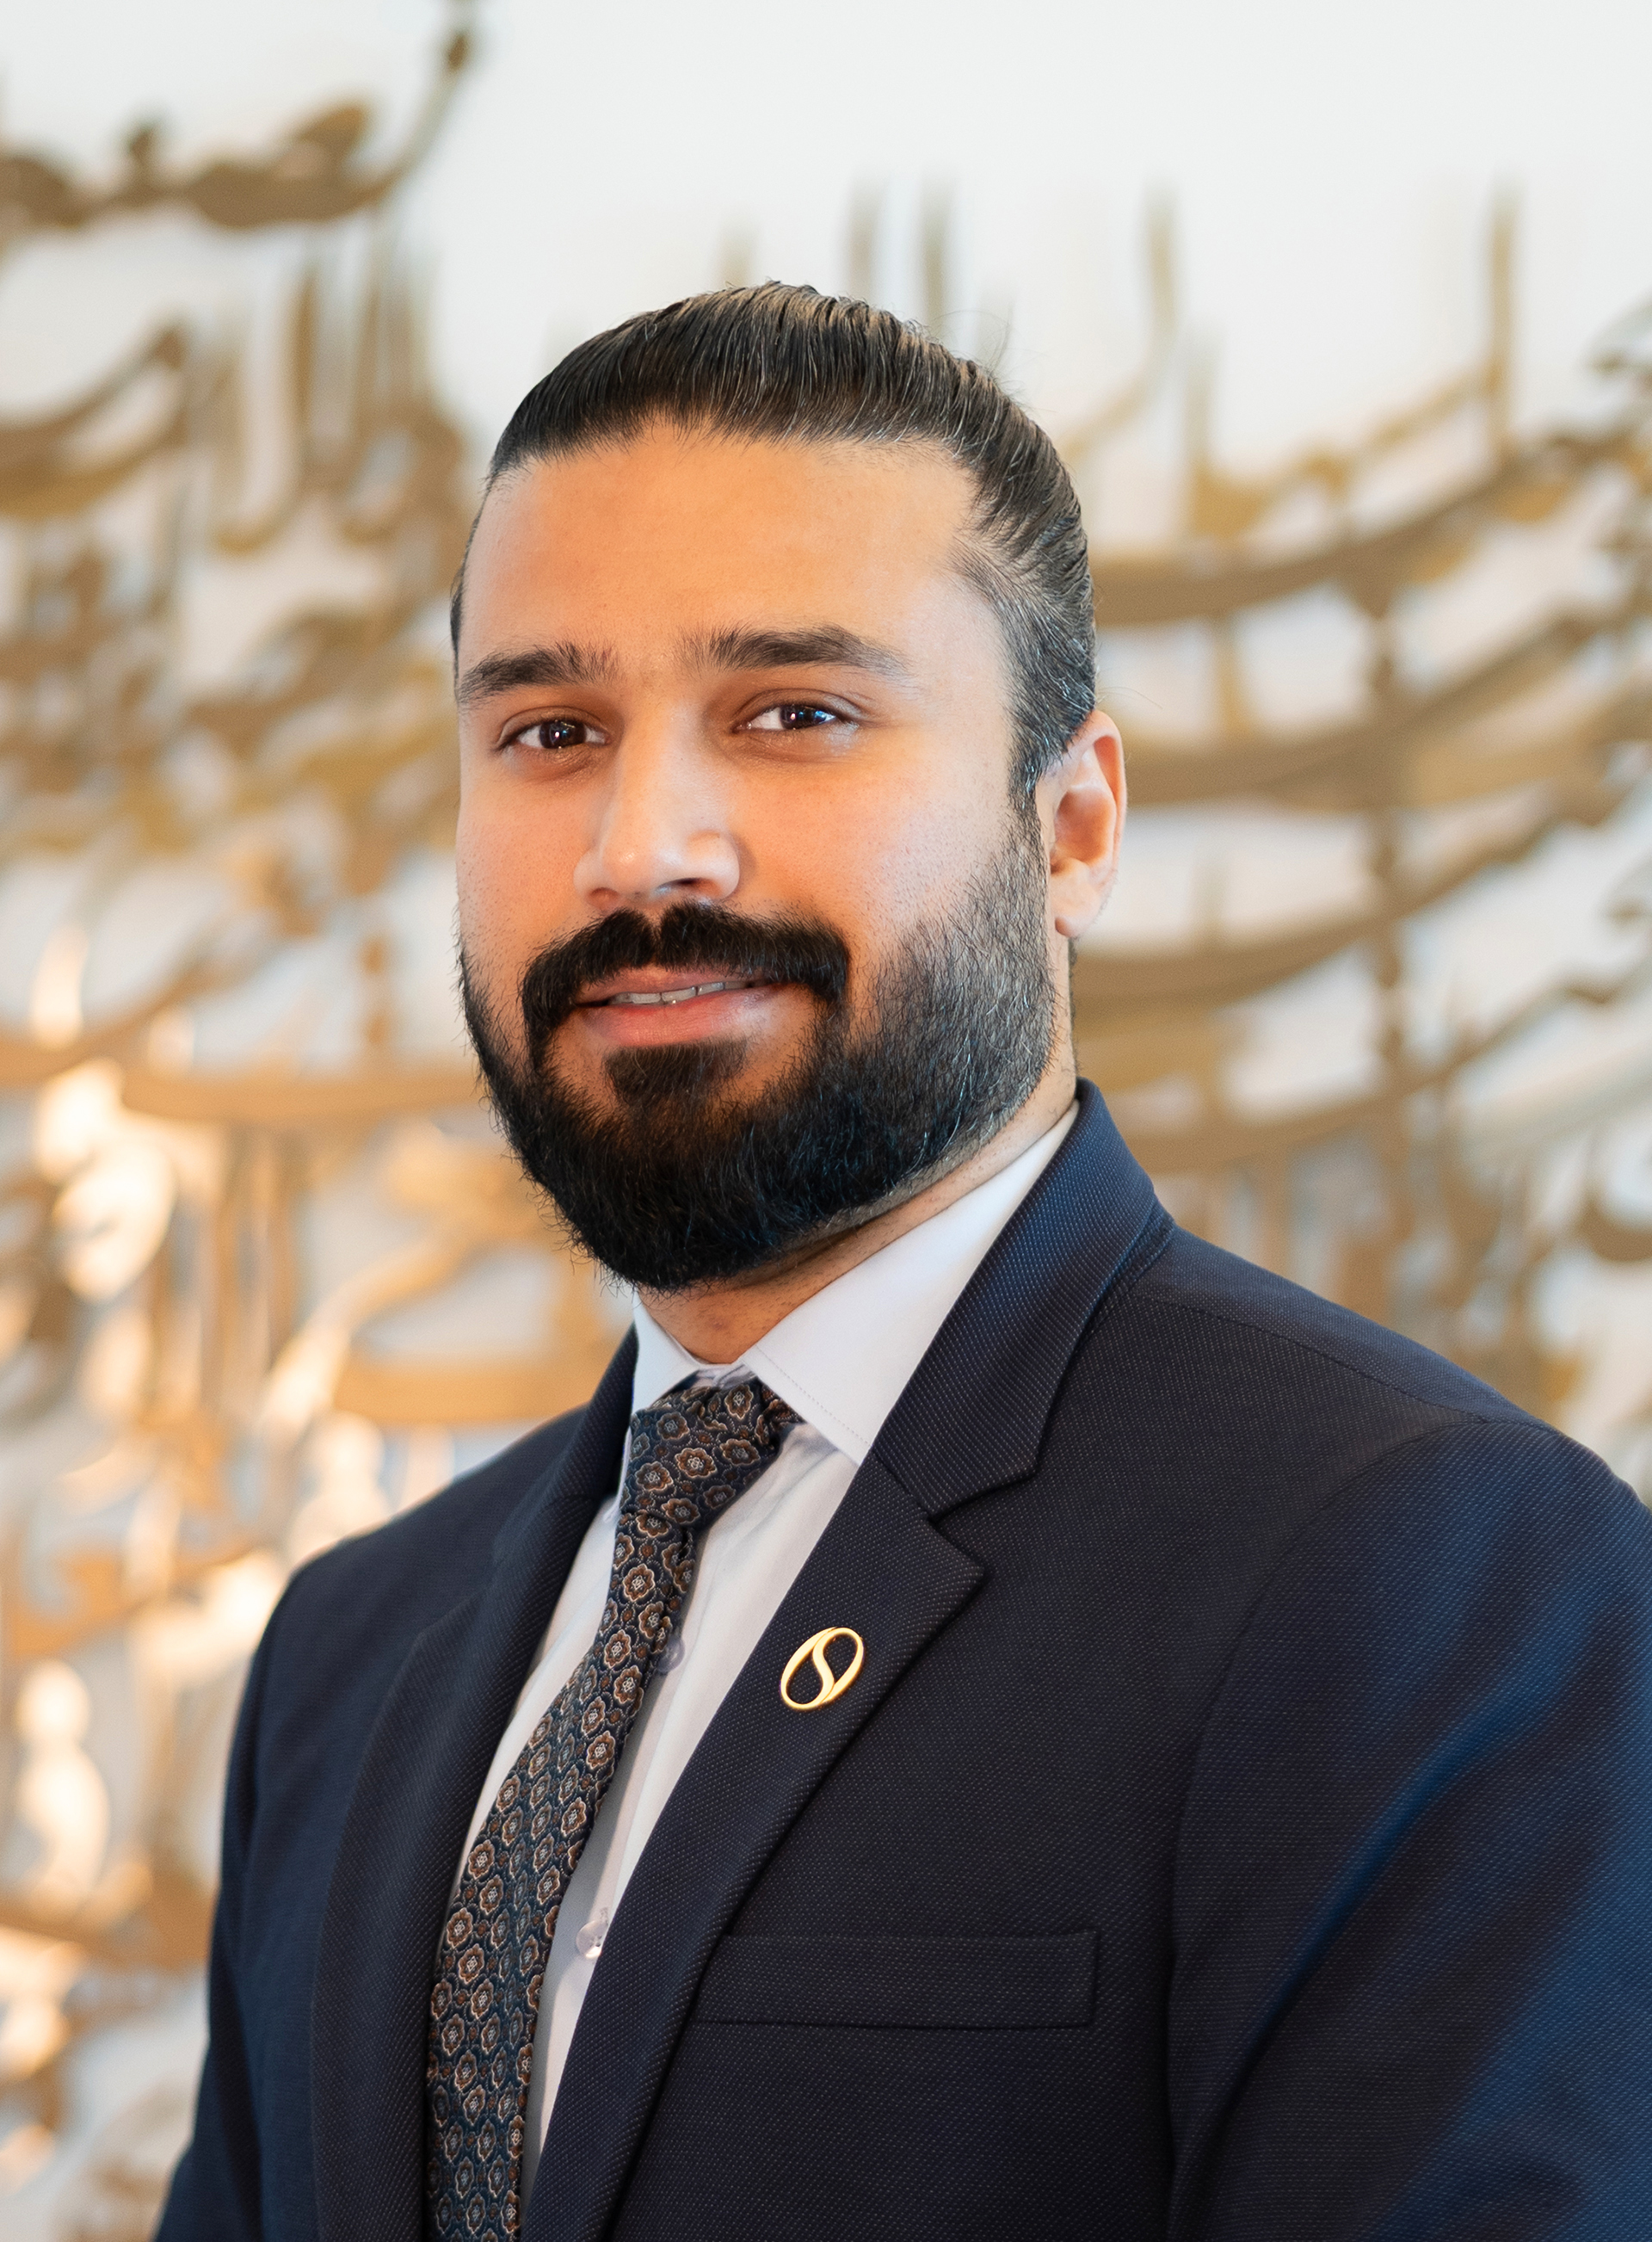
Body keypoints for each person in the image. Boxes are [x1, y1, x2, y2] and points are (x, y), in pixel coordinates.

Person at [158, 285, 1652, 2242]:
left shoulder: (1425, 1572)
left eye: (795, 713)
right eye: (550, 730)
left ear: (1075, 824)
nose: (644, 846)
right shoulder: (354, 1654)